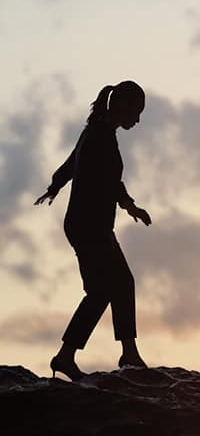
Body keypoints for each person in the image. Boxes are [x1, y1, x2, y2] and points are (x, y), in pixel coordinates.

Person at [35, 81, 154, 380]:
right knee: (102, 290)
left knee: (121, 284)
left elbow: (70, 165)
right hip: (88, 227)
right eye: (136, 112)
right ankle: (67, 356)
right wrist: (129, 205)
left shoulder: (99, 131)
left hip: (94, 226)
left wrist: (55, 186)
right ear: (123, 105)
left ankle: (127, 353)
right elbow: (102, 176)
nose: (137, 120)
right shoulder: (99, 135)